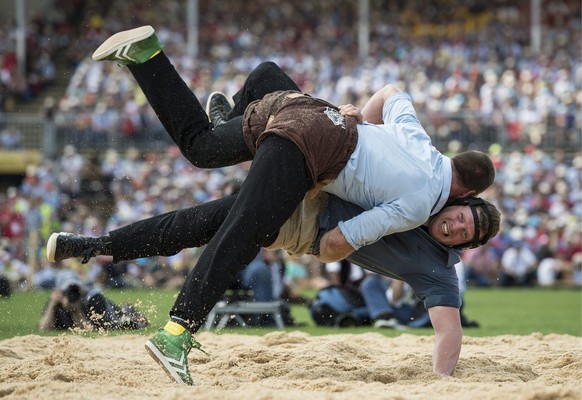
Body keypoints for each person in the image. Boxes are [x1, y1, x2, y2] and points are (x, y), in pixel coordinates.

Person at [51, 25, 496, 384]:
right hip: (314, 157)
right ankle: (177, 332)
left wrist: (360, 113)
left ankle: (149, 58)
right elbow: (343, 239)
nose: (455, 228)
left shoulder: (423, 144)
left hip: (311, 114)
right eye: (460, 219)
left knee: (206, 145)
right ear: (465, 196)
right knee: (242, 231)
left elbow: (393, 91)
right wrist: (324, 247)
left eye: (461, 232)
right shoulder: (422, 204)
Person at [39, 269, 148, 331]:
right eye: (68, 289)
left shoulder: (92, 299)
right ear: (59, 290)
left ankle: (130, 312)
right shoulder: (56, 301)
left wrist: (75, 310)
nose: (72, 293)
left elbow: (91, 330)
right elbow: (44, 328)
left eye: (75, 287)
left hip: (110, 314)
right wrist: (52, 305)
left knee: (120, 323)